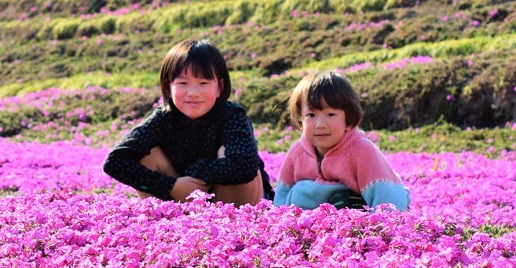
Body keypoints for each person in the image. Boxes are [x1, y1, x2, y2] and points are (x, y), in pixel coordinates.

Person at [104, 39, 271, 206]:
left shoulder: (232, 115)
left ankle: (233, 224)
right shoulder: (164, 117)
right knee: (145, 155)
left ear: (220, 87)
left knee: (227, 153)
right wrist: (172, 186)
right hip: (183, 198)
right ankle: (173, 222)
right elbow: (115, 161)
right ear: (168, 87)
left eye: (203, 83)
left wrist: (198, 173)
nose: (193, 93)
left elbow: (245, 166)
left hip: (237, 203)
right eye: (183, 83)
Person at [274, 71, 410, 211]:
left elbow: (387, 198)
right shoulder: (297, 152)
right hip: (313, 227)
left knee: (341, 200)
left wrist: (383, 228)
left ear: (348, 120)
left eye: (331, 114)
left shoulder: (361, 149)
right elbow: (281, 198)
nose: (320, 124)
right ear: (300, 119)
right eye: (311, 115)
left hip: (358, 222)